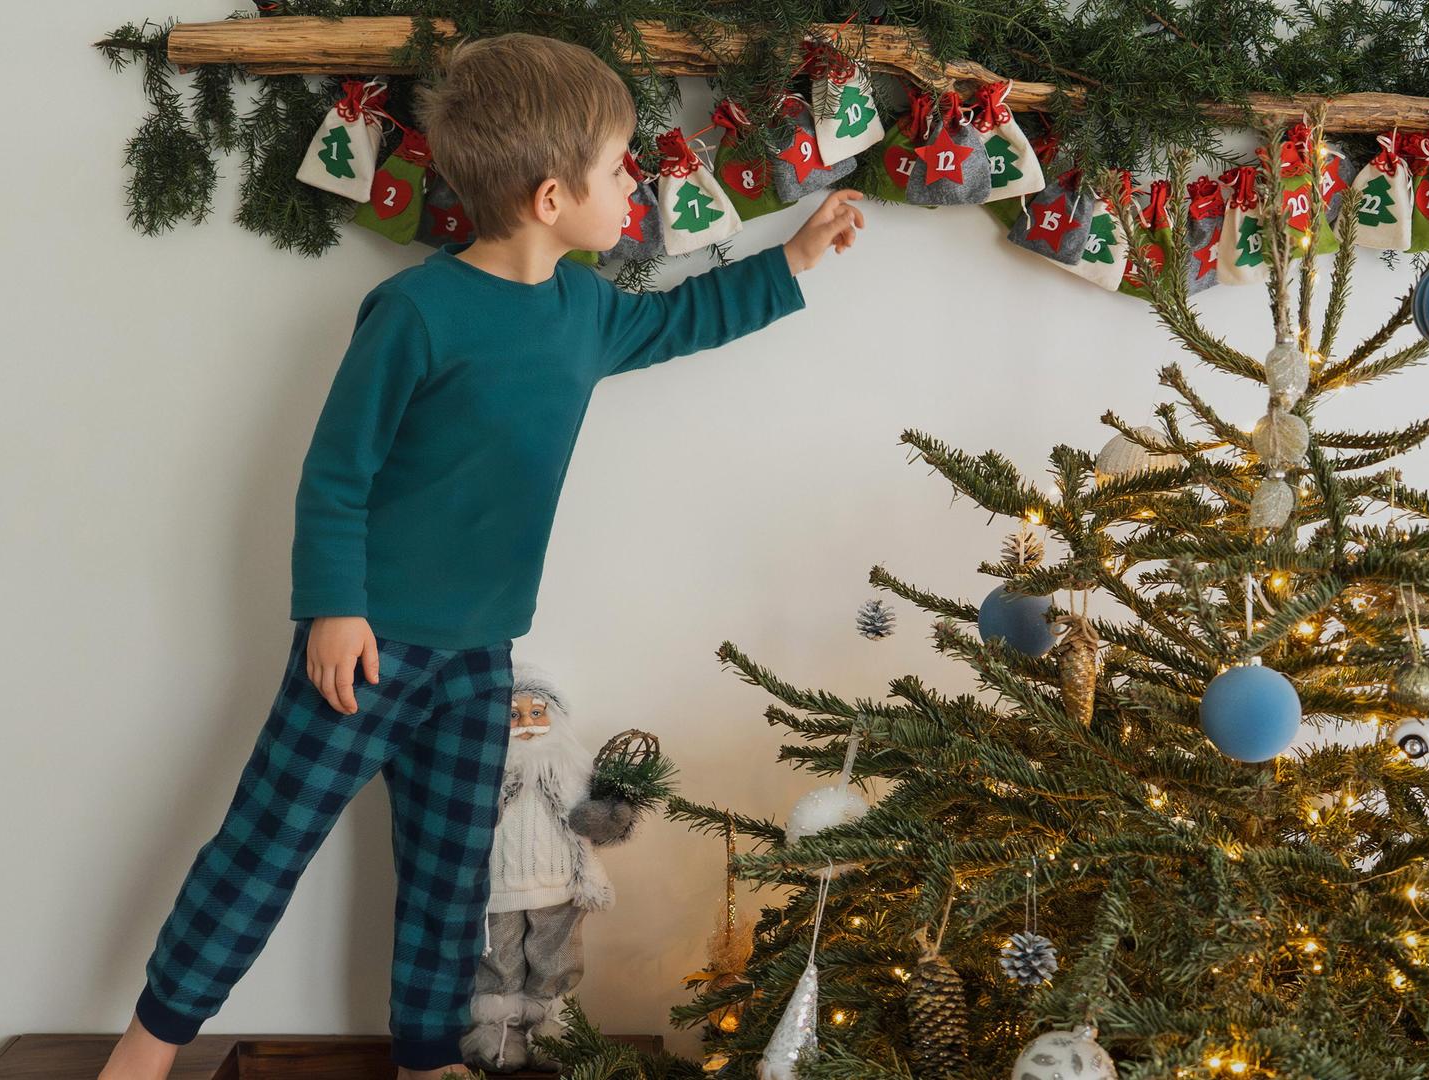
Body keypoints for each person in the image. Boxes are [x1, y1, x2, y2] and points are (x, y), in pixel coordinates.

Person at [96, 31, 863, 1080]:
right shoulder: (417, 311)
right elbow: (336, 472)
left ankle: (426, 1057)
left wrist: (798, 258)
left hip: (478, 658)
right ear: (552, 197)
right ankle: (141, 1055)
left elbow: (686, 318)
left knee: (454, 875)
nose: (636, 181)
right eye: (617, 167)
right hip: (366, 646)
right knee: (261, 854)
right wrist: (331, 604)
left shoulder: (584, 311)